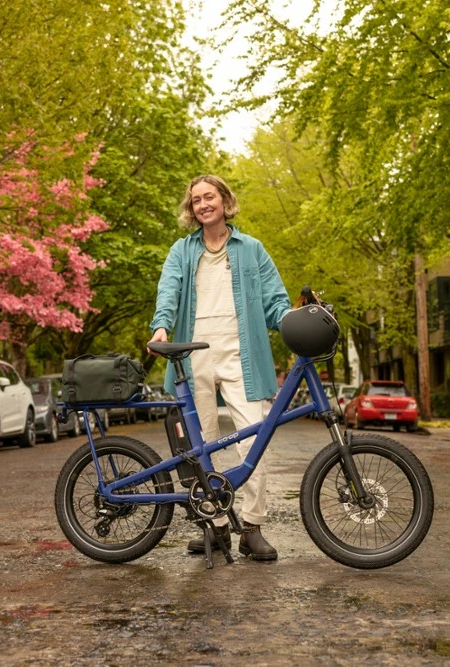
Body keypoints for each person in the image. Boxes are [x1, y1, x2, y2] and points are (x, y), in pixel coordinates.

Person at [148, 174, 291, 561]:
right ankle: (217, 526)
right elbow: (169, 289)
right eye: (196, 200)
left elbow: (275, 300)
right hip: (195, 358)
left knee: (252, 440)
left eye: (209, 197)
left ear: (225, 201)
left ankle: (253, 528)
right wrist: (161, 325)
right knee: (201, 445)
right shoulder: (182, 250)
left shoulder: (252, 249)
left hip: (242, 357)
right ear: (191, 210)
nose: (203, 204)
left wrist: (293, 320)